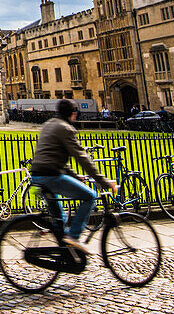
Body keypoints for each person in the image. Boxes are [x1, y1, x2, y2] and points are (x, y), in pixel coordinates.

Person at [29, 99, 118, 254]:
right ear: (73, 114)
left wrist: (76, 176)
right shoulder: (66, 129)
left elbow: (56, 157)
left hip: (37, 175)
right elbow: (83, 159)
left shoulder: (49, 124)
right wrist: (104, 182)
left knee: (60, 217)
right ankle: (74, 237)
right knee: (90, 196)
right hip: (50, 176)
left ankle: (64, 250)